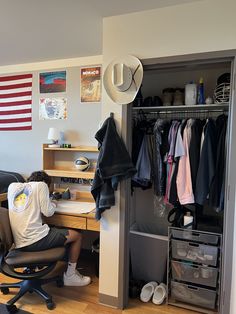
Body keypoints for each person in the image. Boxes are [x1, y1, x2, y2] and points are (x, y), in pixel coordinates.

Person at [7, 170, 91, 287]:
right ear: (46, 184)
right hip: (34, 241)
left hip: (18, 243)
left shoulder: (13, 187)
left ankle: (34, 265)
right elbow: (49, 212)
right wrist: (54, 202)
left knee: (55, 228)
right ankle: (70, 276)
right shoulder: (41, 185)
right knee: (77, 235)